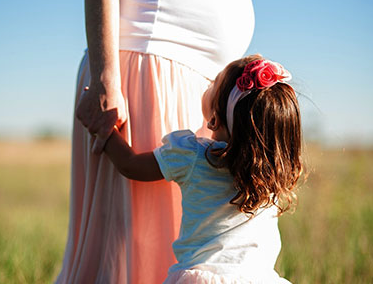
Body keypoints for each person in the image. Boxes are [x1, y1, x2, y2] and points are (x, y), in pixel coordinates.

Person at [55, 0, 254, 282]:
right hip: (145, 62)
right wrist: (106, 74)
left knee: (185, 246)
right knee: (136, 254)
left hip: (205, 82)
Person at [102, 56, 302, 283]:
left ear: (214, 119)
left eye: (214, 83)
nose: (208, 84)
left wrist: (104, 128)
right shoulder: (272, 176)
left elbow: (130, 165)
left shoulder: (194, 155)